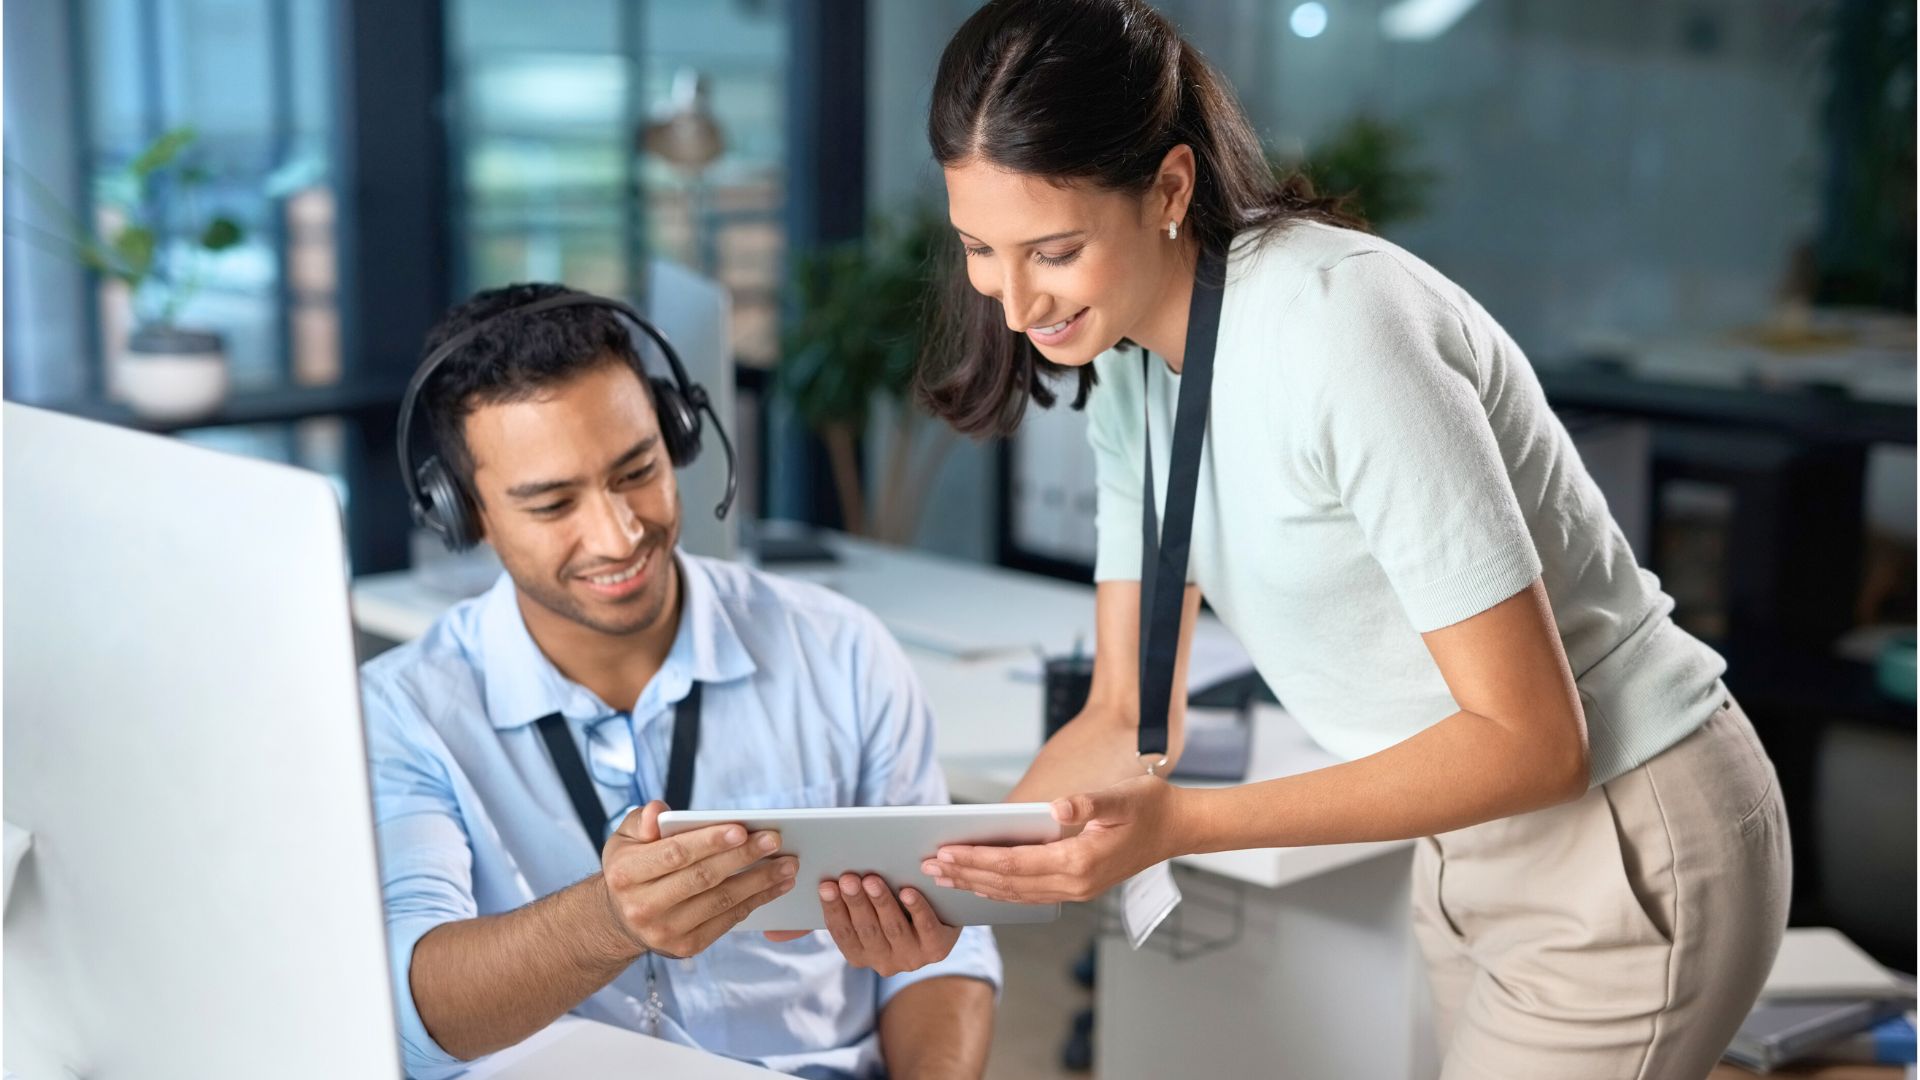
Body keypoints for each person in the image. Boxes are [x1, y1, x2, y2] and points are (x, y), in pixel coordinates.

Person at [911, 2, 1790, 1077]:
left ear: (1171, 190)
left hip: (1621, 831)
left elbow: (1533, 738)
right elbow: (1124, 716)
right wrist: (946, 886)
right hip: (1466, 847)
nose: (1011, 301)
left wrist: (1179, 824)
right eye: (980, 251)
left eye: (1053, 250)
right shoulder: (1133, 375)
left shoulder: (1338, 327)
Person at [362, 283, 999, 1080]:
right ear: (462, 514)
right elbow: (414, 1019)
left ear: (679, 439)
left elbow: (946, 956)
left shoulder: (840, 651)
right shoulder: (403, 711)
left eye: (637, 471)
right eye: (553, 503)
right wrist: (606, 919)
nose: (619, 534)